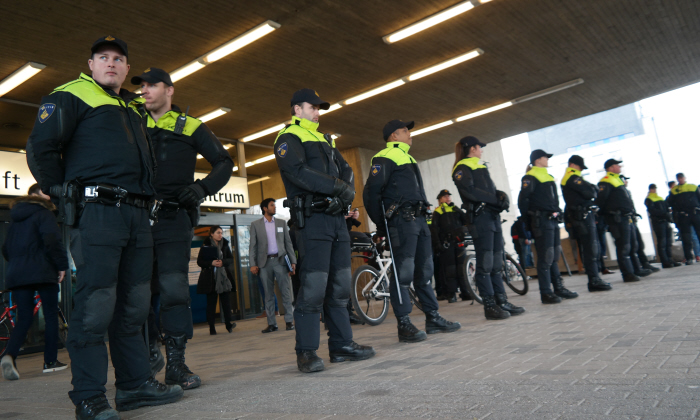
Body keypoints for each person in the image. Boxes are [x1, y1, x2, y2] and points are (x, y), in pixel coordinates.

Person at [25, 36, 182, 418]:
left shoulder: (130, 107)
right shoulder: (70, 94)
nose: (111, 63)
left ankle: (133, 385)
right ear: (91, 64)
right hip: (97, 213)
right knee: (96, 305)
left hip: (136, 214)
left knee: (134, 304)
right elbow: (40, 147)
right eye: (103, 58)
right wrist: (57, 189)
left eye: (119, 59)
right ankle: (89, 396)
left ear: (128, 69)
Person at [133, 67, 234, 390]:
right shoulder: (131, 120)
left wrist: (202, 189)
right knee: (138, 294)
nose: (145, 90)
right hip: (136, 219)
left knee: (174, 291)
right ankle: (147, 355)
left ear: (170, 90)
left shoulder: (190, 126)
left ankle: (176, 363)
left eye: (153, 85)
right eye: (142, 86)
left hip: (174, 220)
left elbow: (224, 162)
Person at [274, 89, 375, 373]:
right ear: (297, 109)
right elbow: (297, 172)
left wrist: (345, 192)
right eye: (312, 107)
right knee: (313, 288)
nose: (317, 112)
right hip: (312, 221)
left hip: (336, 221)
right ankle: (306, 352)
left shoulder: (325, 139)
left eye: (319, 107)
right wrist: (337, 188)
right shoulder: (288, 138)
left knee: (340, 286)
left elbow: (346, 171)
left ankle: (342, 345)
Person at [363, 119, 461, 342]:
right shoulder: (384, 157)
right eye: (405, 130)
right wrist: (382, 224)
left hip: (419, 221)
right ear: (393, 136)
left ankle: (432, 317)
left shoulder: (408, 157)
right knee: (403, 274)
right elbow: (370, 194)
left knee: (425, 272)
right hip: (402, 223)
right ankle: (404, 324)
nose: (410, 134)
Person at [1, 184, 69, 381]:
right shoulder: (43, 213)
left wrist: (18, 263)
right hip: (42, 271)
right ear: (39, 195)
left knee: (24, 317)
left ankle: (10, 355)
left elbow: (6, 248)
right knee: (50, 314)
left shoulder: (15, 218)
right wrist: (61, 266)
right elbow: (53, 241)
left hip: (18, 273)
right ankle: (50, 362)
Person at [452, 137, 524, 318]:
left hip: (491, 218)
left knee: (496, 262)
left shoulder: (479, 165)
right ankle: (489, 306)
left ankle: (502, 301)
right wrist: (494, 199)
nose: (481, 150)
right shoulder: (461, 167)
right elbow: (470, 191)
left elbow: (486, 191)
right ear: (471, 149)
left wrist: (499, 196)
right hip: (479, 220)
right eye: (479, 147)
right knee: (485, 265)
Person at [518, 149, 578, 304]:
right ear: (538, 160)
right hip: (541, 221)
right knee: (545, 258)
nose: (548, 159)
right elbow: (523, 202)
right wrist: (528, 222)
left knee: (554, 255)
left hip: (552, 220)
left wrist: (559, 212)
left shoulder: (548, 176)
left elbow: (552, 200)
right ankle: (546, 292)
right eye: (546, 157)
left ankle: (558, 288)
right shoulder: (530, 177)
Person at [560, 155, 612, 292]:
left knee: (592, 248)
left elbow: (592, 191)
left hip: (584, 216)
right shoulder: (571, 177)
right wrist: (592, 190)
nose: (581, 170)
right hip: (581, 217)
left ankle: (595, 278)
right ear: (573, 165)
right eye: (580, 167)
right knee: (590, 248)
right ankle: (594, 280)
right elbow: (590, 192)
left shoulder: (574, 177)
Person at [596, 159, 650, 283]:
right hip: (617, 219)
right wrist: (602, 216)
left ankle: (636, 270)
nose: (619, 167)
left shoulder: (617, 179)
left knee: (632, 246)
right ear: (610, 168)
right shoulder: (606, 181)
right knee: (623, 247)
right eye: (616, 165)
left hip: (626, 217)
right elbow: (601, 201)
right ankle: (627, 274)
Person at [249, 198, 297, 333]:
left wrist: (293, 262)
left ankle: (289, 321)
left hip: (280, 262)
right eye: (272, 205)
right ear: (265, 208)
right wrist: (253, 264)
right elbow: (252, 246)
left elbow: (288, 244)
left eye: (274, 205)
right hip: (264, 264)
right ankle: (272, 324)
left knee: (286, 292)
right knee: (268, 294)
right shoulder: (256, 225)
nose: (274, 208)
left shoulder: (281, 223)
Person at [431, 189, 471, 303]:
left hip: (459, 243)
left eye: (449, 196)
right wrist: (438, 244)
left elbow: (465, 222)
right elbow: (434, 230)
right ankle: (451, 294)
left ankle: (465, 292)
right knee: (450, 270)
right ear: (440, 200)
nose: (448, 197)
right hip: (446, 244)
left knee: (462, 268)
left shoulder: (456, 209)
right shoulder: (438, 212)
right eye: (445, 196)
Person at [196, 226, 235, 335]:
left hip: (223, 278)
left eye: (221, 233)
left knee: (226, 303)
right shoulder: (205, 246)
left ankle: (228, 324)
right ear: (211, 234)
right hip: (210, 278)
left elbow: (230, 259)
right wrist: (211, 263)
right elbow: (200, 262)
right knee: (211, 304)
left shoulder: (225, 244)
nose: (220, 235)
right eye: (218, 233)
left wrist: (222, 262)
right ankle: (212, 327)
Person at [621, 176, 660, 274]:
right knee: (631, 246)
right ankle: (636, 267)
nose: (626, 182)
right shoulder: (620, 192)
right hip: (625, 221)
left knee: (638, 243)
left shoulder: (626, 191)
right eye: (625, 180)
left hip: (632, 220)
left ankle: (644, 263)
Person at [667, 172, 700, 265]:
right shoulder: (674, 190)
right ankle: (689, 258)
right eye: (679, 178)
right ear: (677, 179)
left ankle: (697, 255)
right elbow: (669, 202)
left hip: (695, 213)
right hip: (683, 216)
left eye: (681, 178)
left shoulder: (693, 187)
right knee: (686, 238)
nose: (680, 179)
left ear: (684, 178)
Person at [645, 184, 680, 268]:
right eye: (653, 188)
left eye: (655, 188)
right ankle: (665, 261)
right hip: (658, 222)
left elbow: (666, 207)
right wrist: (664, 214)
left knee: (668, 242)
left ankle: (669, 259)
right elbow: (653, 211)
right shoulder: (649, 199)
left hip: (665, 221)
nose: (654, 190)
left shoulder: (659, 198)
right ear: (650, 189)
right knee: (662, 242)